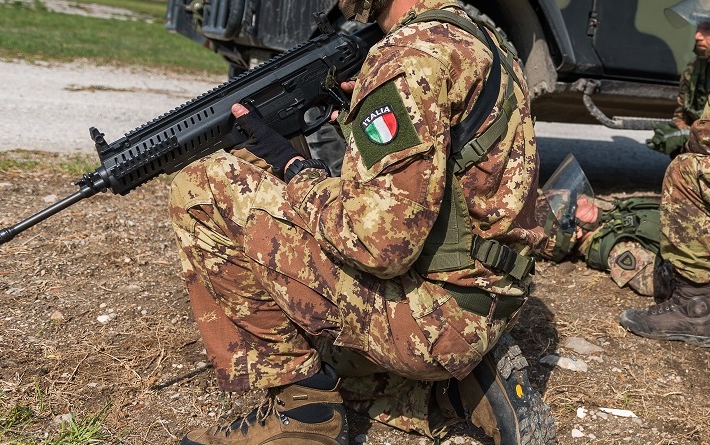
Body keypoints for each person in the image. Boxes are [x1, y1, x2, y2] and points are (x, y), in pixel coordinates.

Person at [168, 0, 555, 444]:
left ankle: (304, 411)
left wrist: (295, 169)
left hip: (433, 317)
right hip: (485, 298)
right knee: (327, 344)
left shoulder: (406, 58)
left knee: (203, 188)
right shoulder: (475, 36)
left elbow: (376, 246)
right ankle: (449, 389)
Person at [618, 100, 710, 347]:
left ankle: (694, 305)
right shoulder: (695, 70)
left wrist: (692, 133)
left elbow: (705, 136)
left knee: (684, 170)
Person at [535, 154, 661, 298]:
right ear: (577, 230)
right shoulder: (615, 249)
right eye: (575, 205)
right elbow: (652, 283)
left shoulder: (608, 221)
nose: (583, 199)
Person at [647, 0, 710, 156]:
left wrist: (689, 136)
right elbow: (682, 111)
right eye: (698, 28)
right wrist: (678, 129)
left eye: (707, 29)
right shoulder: (695, 67)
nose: (697, 36)